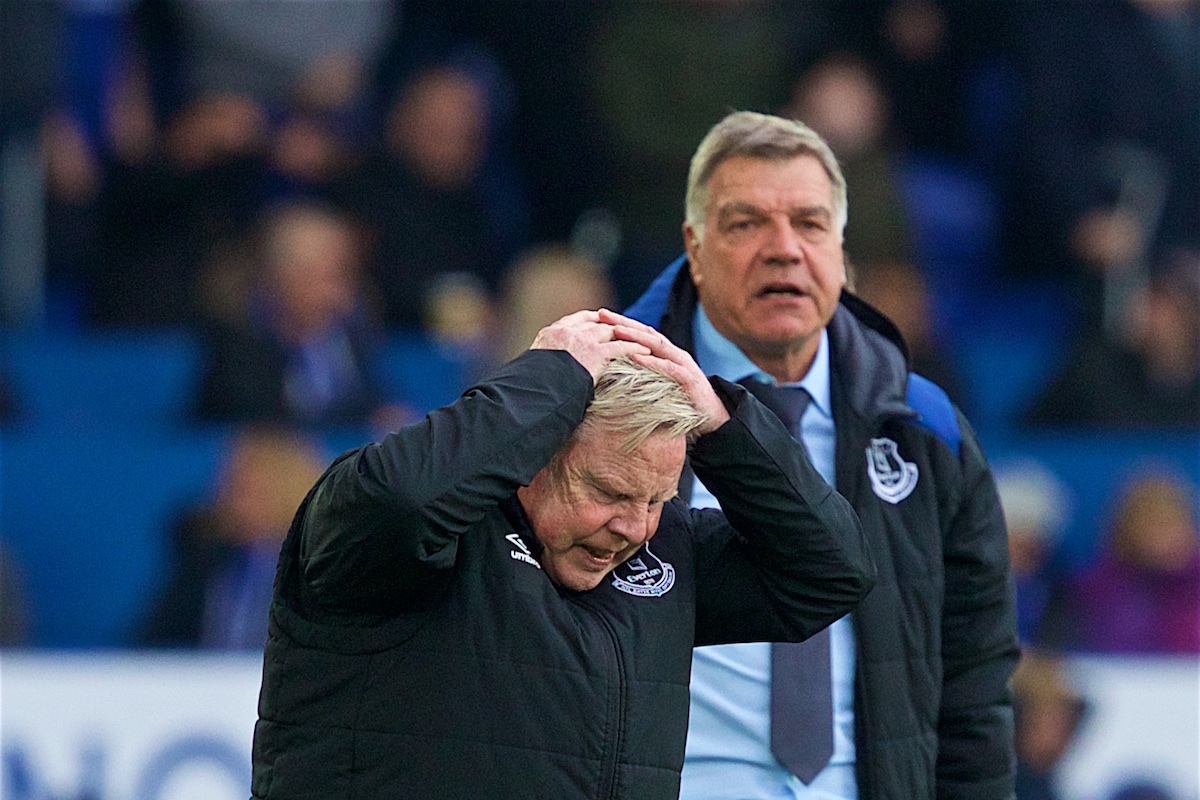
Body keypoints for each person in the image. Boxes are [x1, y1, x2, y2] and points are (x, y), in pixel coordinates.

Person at [250, 308, 874, 799]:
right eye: (608, 492)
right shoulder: (410, 540)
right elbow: (401, 500)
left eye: (658, 498)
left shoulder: (664, 554)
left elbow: (832, 570)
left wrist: (725, 426)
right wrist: (549, 381)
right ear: (531, 452)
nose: (636, 528)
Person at [625, 111, 1019, 799]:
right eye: (747, 223)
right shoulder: (612, 413)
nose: (784, 250)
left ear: (840, 249)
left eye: (808, 224)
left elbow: (974, 690)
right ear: (694, 245)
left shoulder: (927, 430)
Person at [135, 426, 327, 649]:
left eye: (254, 492)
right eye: (234, 488)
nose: (237, 503)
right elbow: (152, 643)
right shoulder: (207, 562)